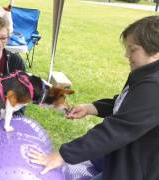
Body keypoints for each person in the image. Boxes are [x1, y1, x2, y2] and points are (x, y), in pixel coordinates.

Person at [28, 15, 159, 180]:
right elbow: (128, 106)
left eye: (132, 50)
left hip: (139, 168)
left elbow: (117, 129)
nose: (127, 55)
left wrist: (62, 156)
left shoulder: (154, 86)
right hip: (123, 156)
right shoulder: (146, 73)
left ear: (155, 51)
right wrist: (91, 108)